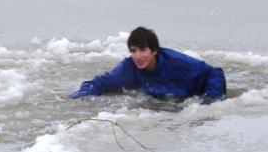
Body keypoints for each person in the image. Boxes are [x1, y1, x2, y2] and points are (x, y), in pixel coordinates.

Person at [70, 26, 227, 103]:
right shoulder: (129, 67)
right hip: (163, 100)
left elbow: (214, 72)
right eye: (133, 50)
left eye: (143, 50)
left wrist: (209, 100)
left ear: (154, 51)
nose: (137, 56)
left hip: (192, 94)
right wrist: (79, 96)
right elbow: (102, 82)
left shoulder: (178, 63)